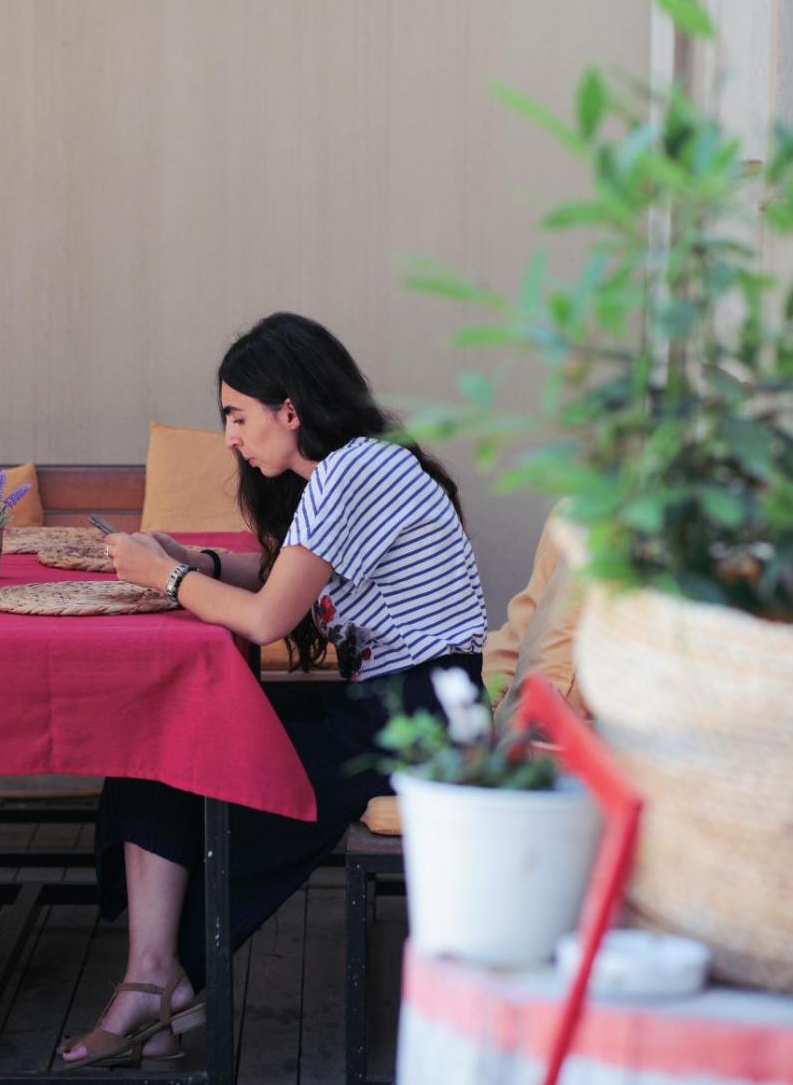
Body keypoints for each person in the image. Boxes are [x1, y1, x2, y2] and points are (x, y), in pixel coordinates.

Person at [60, 311, 488, 1068]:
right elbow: (285, 577)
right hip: (403, 705)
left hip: (414, 723)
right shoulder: (357, 465)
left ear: (289, 411)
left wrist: (165, 576)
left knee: (179, 755)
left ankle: (156, 985)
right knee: (158, 735)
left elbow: (266, 620)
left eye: (237, 415)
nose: (230, 437)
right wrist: (194, 561)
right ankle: (155, 983)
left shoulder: (353, 471)